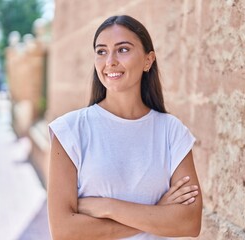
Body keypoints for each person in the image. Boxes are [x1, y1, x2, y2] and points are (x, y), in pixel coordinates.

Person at [47, 15, 203, 240]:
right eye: (101, 51)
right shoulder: (70, 131)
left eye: (122, 50)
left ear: (148, 60)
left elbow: (189, 222)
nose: (110, 61)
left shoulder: (171, 131)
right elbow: (64, 231)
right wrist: (159, 214)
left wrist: (109, 207)